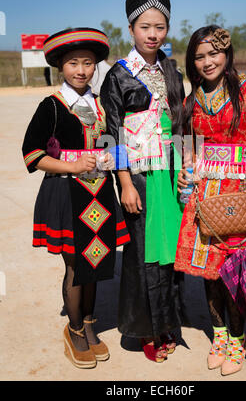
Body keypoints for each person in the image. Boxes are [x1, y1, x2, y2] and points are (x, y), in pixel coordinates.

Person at [174, 25, 246, 375]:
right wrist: (186, 173)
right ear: (191, 63)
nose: (207, 62)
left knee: (235, 273)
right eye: (199, 57)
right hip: (205, 193)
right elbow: (189, 149)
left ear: (227, 54)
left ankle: (239, 339)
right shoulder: (190, 101)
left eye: (213, 53)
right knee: (209, 274)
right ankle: (220, 335)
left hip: (244, 194)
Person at [22, 27, 130, 369]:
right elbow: (32, 154)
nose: (81, 70)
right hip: (67, 194)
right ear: (60, 67)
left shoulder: (100, 104)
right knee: (74, 264)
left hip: (100, 194)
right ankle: (73, 329)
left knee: (96, 262)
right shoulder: (52, 106)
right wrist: (69, 163)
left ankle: (89, 324)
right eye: (73, 63)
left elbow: (111, 142)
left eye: (87, 63)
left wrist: (111, 155)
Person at [100, 0, 185, 363]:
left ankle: (169, 321)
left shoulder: (172, 70)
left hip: (169, 171)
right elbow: (111, 134)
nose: (153, 33)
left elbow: (182, 122)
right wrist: (125, 185)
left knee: (170, 248)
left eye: (161, 26)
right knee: (142, 254)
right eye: (145, 26)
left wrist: (188, 166)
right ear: (131, 27)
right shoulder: (117, 75)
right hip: (137, 175)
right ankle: (145, 331)